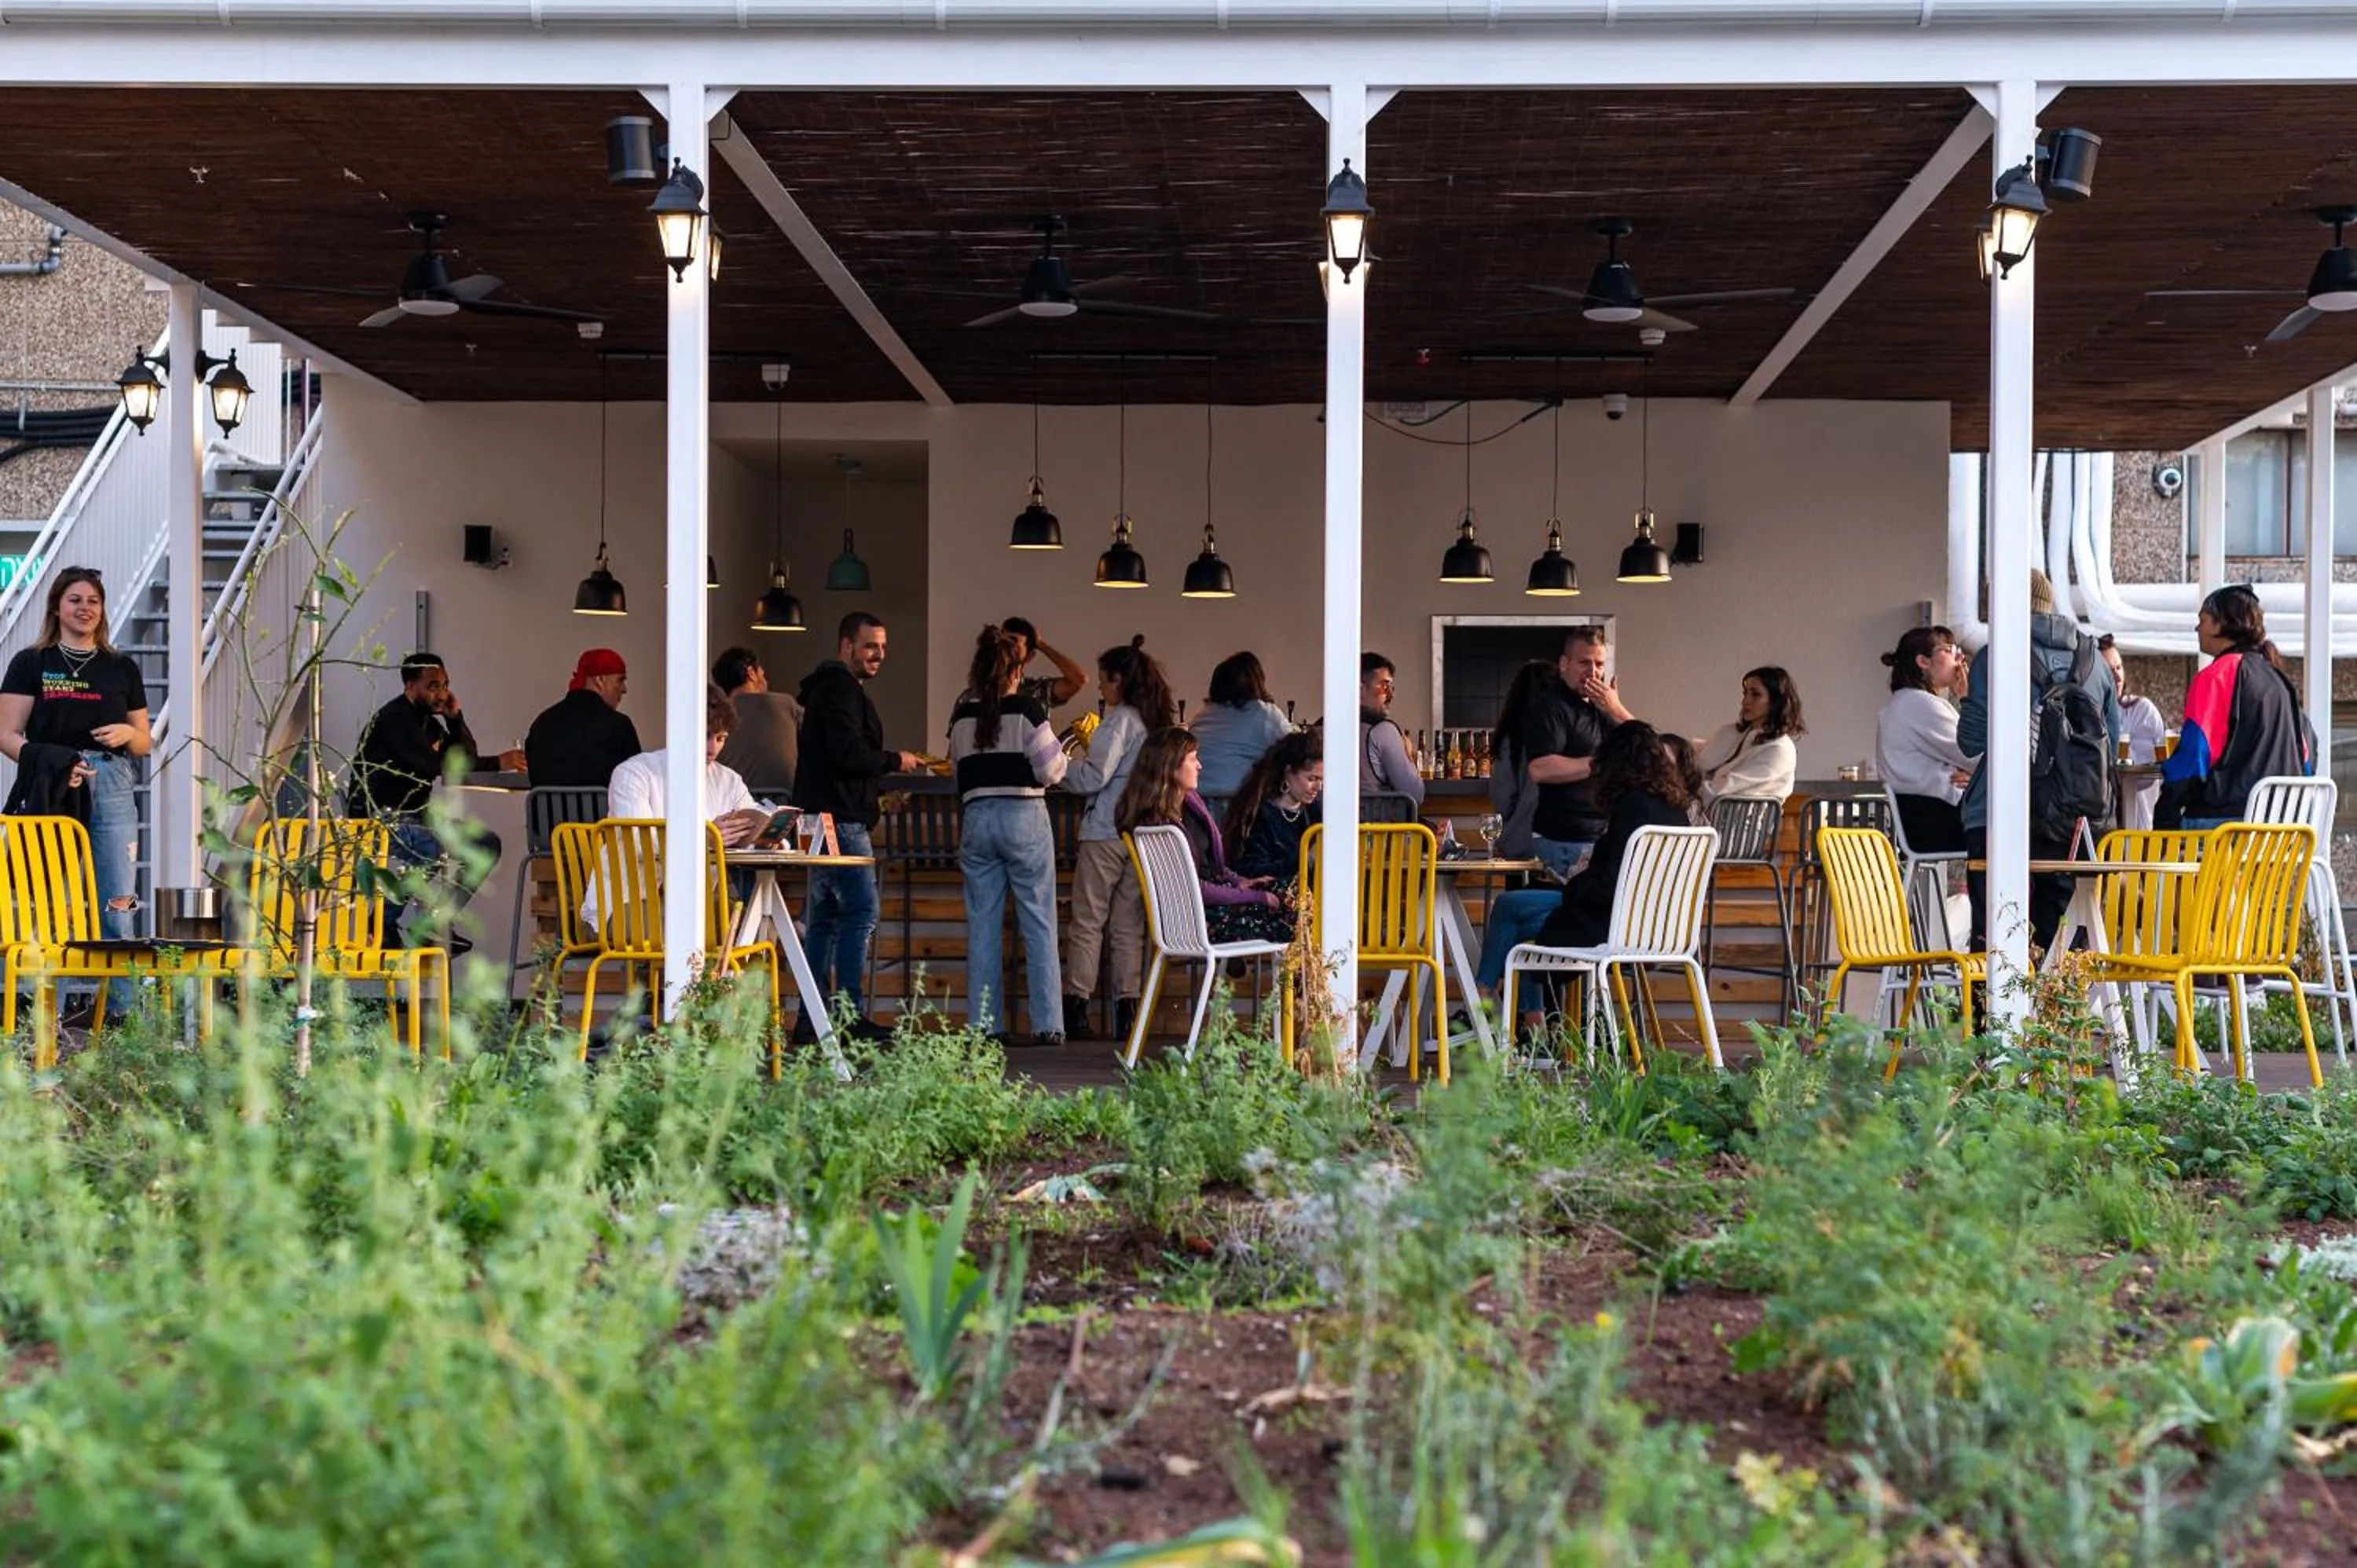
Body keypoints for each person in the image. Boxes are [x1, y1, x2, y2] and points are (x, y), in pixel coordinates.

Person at [0, 568, 152, 1012]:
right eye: (75, 600)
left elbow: (145, 741)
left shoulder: (121, 666)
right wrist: (55, 764)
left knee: (117, 902)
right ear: (57, 606)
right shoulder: (32, 663)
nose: (85, 608)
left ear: (102, 610)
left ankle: (123, 1016)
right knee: (50, 902)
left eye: (93, 601)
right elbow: (7, 734)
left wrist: (127, 735)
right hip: (54, 785)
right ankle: (47, 1015)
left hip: (113, 783)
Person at [1483, 723, 1693, 1030]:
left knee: (1515, 918)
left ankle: (1484, 1007)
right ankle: (1522, 1018)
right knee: (1514, 912)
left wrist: (1575, 883)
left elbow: (1611, 881)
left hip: (1613, 924)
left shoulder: (1633, 806)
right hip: (1654, 927)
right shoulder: (1675, 809)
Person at [1958, 570, 2123, 951]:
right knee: (2061, 935)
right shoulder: (2094, 662)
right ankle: (2060, 1010)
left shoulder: (1996, 656)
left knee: (1997, 936)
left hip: (2000, 814)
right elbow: (2109, 743)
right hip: (2075, 818)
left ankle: (1994, 1012)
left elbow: (1969, 742)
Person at [794, 612, 924, 1040]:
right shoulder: (840, 691)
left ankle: (812, 1020)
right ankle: (847, 1016)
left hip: (819, 818)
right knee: (860, 912)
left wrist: (877, 796)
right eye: (871, 646)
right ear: (846, 646)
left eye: (883, 647)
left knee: (826, 919)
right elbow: (849, 754)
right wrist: (894, 761)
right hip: (840, 822)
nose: (879, 655)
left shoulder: (826, 692)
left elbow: (836, 761)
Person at [346, 651, 524, 949]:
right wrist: (498, 762)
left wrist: (456, 720)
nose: (441, 693)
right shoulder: (396, 719)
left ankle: (435, 924)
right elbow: (432, 765)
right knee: (431, 849)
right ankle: (381, 922)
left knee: (485, 844)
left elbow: (461, 758)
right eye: (433, 686)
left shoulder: (427, 721)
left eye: (445, 685)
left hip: (416, 815)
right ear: (411, 686)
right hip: (379, 816)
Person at [948, 625, 1068, 1046]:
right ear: (1016, 672)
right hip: (1024, 819)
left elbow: (956, 770)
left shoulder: (962, 715)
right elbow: (1051, 770)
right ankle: (1048, 1024)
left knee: (982, 924)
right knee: (1038, 921)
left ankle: (985, 1025)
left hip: (977, 819)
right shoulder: (1029, 710)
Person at [1059, 636, 1177, 1042]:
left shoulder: (1119, 720)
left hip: (1105, 831)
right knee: (1130, 927)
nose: (1099, 688)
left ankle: (1077, 1008)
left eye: (1104, 680)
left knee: (1088, 922)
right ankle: (1129, 1012)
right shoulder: (1158, 723)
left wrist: (1056, 767)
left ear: (1118, 680)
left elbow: (1093, 776)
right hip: (1143, 835)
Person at [588, 685, 773, 930]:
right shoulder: (634, 773)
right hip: (630, 902)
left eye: (721, 739)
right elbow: (638, 841)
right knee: (709, 926)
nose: (713, 749)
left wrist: (767, 836)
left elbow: (752, 818)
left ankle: (723, 967)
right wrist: (704, 838)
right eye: (706, 736)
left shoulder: (728, 780)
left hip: (697, 903)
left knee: (761, 923)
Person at [1115, 727, 1291, 946]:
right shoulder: (1159, 825)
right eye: (1192, 759)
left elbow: (1212, 869)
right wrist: (1255, 897)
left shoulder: (1189, 806)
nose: (1199, 766)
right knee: (1290, 912)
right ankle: (1304, 977)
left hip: (1210, 906)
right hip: (1196, 920)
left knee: (1287, 890)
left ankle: (1296, 976)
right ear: (1170, 766)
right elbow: (1194, 888)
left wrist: (1241, 882)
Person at [2157, 584, 2311, 830]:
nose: (2197, 628)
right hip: (2280, 831)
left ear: (2222, 624)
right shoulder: (2279, 680)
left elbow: (2195, 755)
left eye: (2203, 620)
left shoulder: (2216, 676)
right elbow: (2306, 756)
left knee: (2144, 845)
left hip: (2226, 827)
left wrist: (2166, 808)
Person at [1523, 626, 1633, 878]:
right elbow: (1540, 768)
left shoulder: (1601, 708)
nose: (1593, 673)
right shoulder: (1551, 707)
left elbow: (1649, 750)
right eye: (1584, 663)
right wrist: (1601, 762)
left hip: (1602, 837)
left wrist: (1616, 708)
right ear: (1564, 664)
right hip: (1564, 840)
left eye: (1600, 664)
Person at [1875, 626, 1974, 857]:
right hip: (1938, 823)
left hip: (1918, 825)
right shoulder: (1921, 704)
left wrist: (1973, 774)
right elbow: (1976, 755)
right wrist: (1967, 700)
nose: (1959, 657)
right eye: (1949, 650)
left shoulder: (1901, 704)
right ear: (1923, 661)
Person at [522, 647, 640, 789]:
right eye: (620, 680)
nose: (624, 689)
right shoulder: (619, 725)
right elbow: (636, 781)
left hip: (549, 811)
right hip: (602, 811)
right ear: (600, 680)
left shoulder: (542, 723)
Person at [1224, 729, 1323, 886]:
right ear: (1288, 773)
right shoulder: (1258, 813)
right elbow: (1253, 870)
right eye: (1312, 779)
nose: (1319, 787)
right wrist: (1306, 859)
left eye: (1322, 780)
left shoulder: (1316, 811)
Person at [1697, 666, 1805, 806]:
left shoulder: (1779, 749)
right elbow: (1699, 760)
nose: (1745, 702)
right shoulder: (1732, 733)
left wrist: (1679, 795)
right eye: (1745, 693)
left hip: (1734, 824)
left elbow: (1722, 790)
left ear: (1776, 701)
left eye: (1755, 694)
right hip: (1702, 814)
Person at [1189, 652, 1291, 799]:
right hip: (1239, 802)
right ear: (1257, 682)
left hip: (1197, 801)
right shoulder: (1265, 714)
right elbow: (1296, 751)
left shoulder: (1202, 715)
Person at [713, 645, 803, 800]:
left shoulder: (716, 713)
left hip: (730, 800)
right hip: (783, 799)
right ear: (751, 673)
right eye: (763, 674)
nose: (765, 680)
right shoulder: (784, 704)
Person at [1487, 660, 1555, 859]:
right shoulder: (1568, 732)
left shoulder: (1513, 737)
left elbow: (1503, 797)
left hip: (1522, 845)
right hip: (1566, 845)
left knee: (1519, 890)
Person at [2099, 634, 2167, 830]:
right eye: (2109, 670)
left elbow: (2150, 771)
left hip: (2136, 820)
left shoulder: (2140, 710)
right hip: (2098, 816)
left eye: (2119, 667)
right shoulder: (2083, 713)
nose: (2118, 676)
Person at [1359, 651, 1424, 807]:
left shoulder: (1320, 728)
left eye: (1391, 688)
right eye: (1384, 686)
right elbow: (1415, 795)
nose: (1390, 695)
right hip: (1379, 829)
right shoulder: (1383, 732)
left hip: (1322, 830)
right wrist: (1409, 757)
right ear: (1360, 690)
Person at [1003, 615, 1087, 713]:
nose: (1004, 647)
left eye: (1013, 643)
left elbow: (1078, 680)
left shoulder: (1036, 690)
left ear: (1029, 656)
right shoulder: (983, 685)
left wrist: (1041, 645)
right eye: (1002, 641)